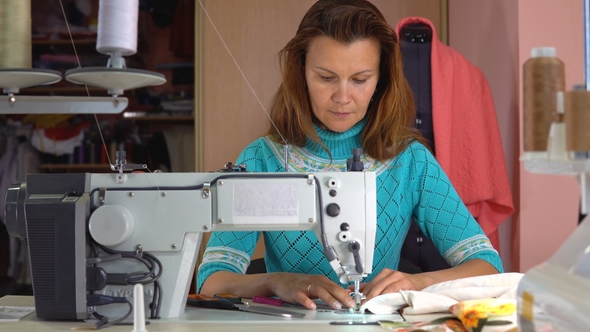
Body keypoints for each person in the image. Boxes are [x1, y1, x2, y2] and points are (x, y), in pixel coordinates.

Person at [197, 0, 503, 311]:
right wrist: (275, 280)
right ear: (300, 70)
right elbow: (211, 281)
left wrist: (418, 282)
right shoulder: (263, 159)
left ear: (381, 78)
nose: (343, 97)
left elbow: (488, 267)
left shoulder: (411, 161)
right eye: (326, 77)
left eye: (360, 80)